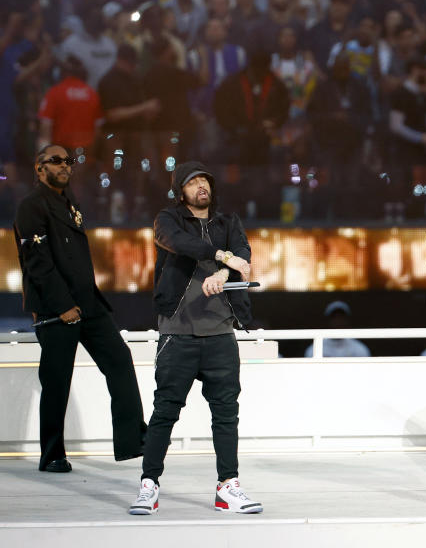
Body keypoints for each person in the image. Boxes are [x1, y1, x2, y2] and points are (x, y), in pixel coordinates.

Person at [130, 161, 262, 515]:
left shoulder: (228, 221)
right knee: (165, 411)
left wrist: (223, 270)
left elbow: (244, 255)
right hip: (178, 331)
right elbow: (179, 243)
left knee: (226, 413)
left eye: (205, 180)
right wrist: (222, 256)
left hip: (220, 332)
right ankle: (149, 485)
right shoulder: (168, 220)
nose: (201, 185)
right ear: (180, 190)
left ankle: (228, 486)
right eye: (192, 181)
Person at [14, 145, 147, 473]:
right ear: (39, 167)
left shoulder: (69, 201)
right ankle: (52, 454)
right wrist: (63, 305)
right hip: (57, 307)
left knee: (119, 359)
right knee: (57, 380)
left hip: (88, 303)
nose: (64, 166)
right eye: (56, 161)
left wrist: (84, 300)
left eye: (68, 161)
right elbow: (37, 262)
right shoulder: (30, 206)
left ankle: (134, 439)